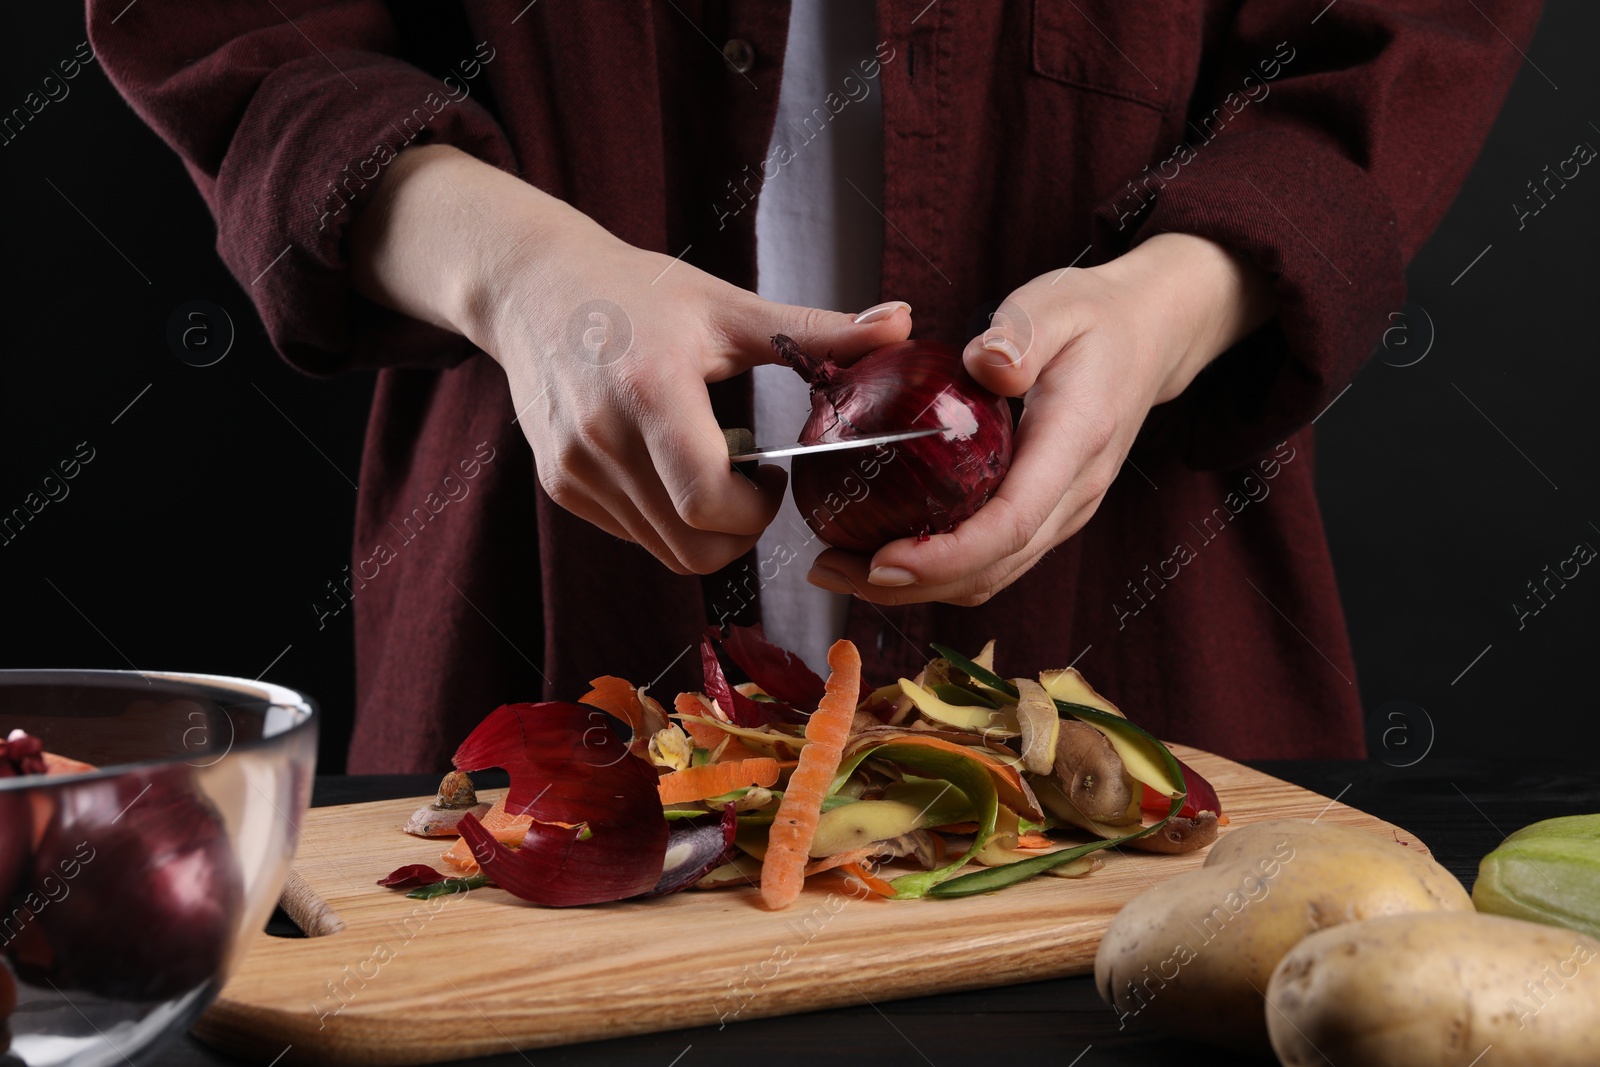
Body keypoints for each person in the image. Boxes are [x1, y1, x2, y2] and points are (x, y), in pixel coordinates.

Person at [90, 0, 1540, 771]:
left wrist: (1169, 301)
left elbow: (1412, 26)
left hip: (1141, 644)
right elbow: (230, 26)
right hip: (540, 616)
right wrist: (516, 273)